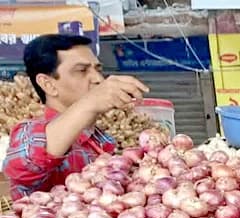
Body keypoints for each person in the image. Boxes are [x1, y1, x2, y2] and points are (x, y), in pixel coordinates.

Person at [3, 34, 149, 199]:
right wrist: (90, 102)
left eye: (98, 69)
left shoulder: (100, 141)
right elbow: (23, 164)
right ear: (48, 84)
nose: (98, 79)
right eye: (81, 70)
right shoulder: (29, 132)